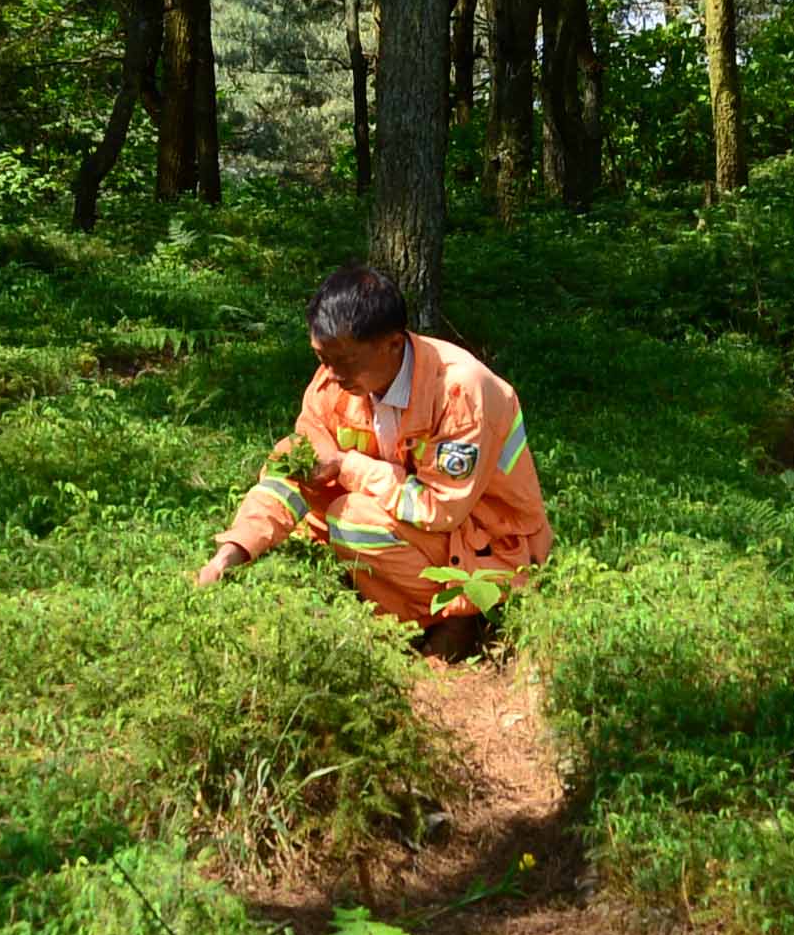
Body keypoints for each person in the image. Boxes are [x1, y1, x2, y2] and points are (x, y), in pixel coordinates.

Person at [197, 264, 550, 659]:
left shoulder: (460, 391)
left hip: (491, 541)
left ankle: (451, 621)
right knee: (312, 496)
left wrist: (348, 467)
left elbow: (440, 508)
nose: (330, 374)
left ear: (393, 345)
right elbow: (290, 473)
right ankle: (403, 618)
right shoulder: (333, 380)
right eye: (320, 356)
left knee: (352, 517)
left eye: (344, 360)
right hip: (419, 531)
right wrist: (235, 550)